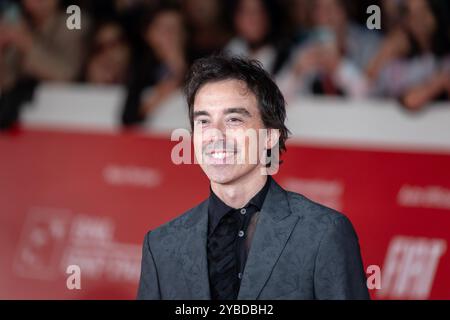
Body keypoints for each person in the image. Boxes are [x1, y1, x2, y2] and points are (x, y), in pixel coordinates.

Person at [137, 55, 369, 300]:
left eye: (234, 120)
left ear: (270, 137)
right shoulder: (161, 245)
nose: (215, 135)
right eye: (203, 121)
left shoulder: (324, 233)